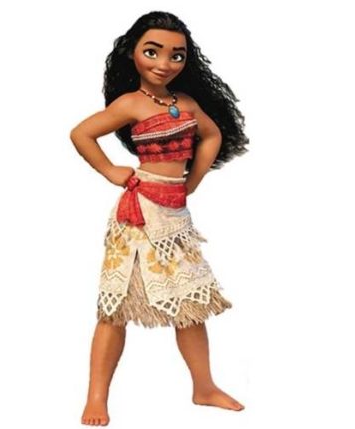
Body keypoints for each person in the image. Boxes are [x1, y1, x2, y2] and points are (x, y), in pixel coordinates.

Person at [69, 11, 249, 426]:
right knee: (114, 308)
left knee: (191, 304)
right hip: (139, 215)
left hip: (175, 215)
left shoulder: (184, 103)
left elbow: (212, 134)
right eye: (152, 52)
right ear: (132, 53)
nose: (164, 63)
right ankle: (96, 397)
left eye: (176, 55)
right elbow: (81, 133)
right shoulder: (130, 104)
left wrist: (193, 180)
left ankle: (203, 386)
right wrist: (111, 170)